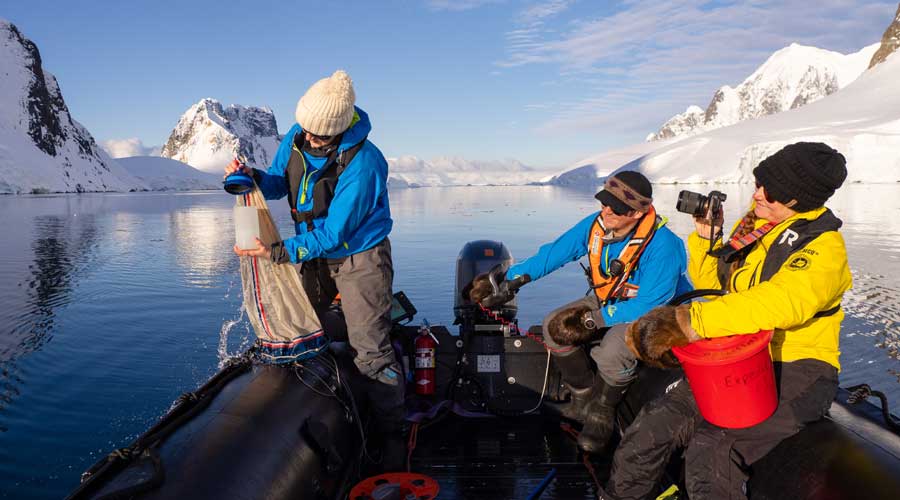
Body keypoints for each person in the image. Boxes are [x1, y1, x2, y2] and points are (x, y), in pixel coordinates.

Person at [603, 142, 851, 500]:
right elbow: (716, 288)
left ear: (798, 200)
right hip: (738, 357)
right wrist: (707, 239)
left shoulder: (824, 248)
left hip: (798, 367)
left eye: (772, 190)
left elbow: (783, 303)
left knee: (712, 450)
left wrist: (687, 322)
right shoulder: (756, 222)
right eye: (759, 181)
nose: (758, 193)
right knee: (650, 428)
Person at [225, 70, 405, 468]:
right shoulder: (297, 134)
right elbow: (277, 185)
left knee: (371, 354)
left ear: (339, 131)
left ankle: (394, 431)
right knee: (305, 325)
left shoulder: (365, 163)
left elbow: (337, 231)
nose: (309, 139)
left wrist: (276, 251)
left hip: (360, 256)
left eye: (319, 136)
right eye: (305, 130)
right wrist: (253, 177)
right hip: (311, 253)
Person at [469, 171, 691, 453]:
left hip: (659, 315)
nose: (607, 210)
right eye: (605, 202)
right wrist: (511, 280)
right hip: (612, 300)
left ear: (638, 213)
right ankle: (582, 400)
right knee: (553, 326)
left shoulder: (665, 246)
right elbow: (553, 254)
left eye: (617, 208)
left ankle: (602, 413)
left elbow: (647, 305)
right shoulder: (595, 226)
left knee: (612, 350)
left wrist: (593, 320)